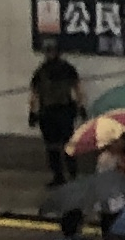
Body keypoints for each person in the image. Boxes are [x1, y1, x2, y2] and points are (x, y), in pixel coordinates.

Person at [29, 50, 84, 179]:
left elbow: (34, 94)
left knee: (53, 146)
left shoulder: (42, 70)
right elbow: (78, 89)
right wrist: (81, 107)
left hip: (49, 112)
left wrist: (32, 112)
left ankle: (59, 176)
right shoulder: (67, 69)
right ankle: (71, 174)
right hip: (62, 112)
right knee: (66, 145)